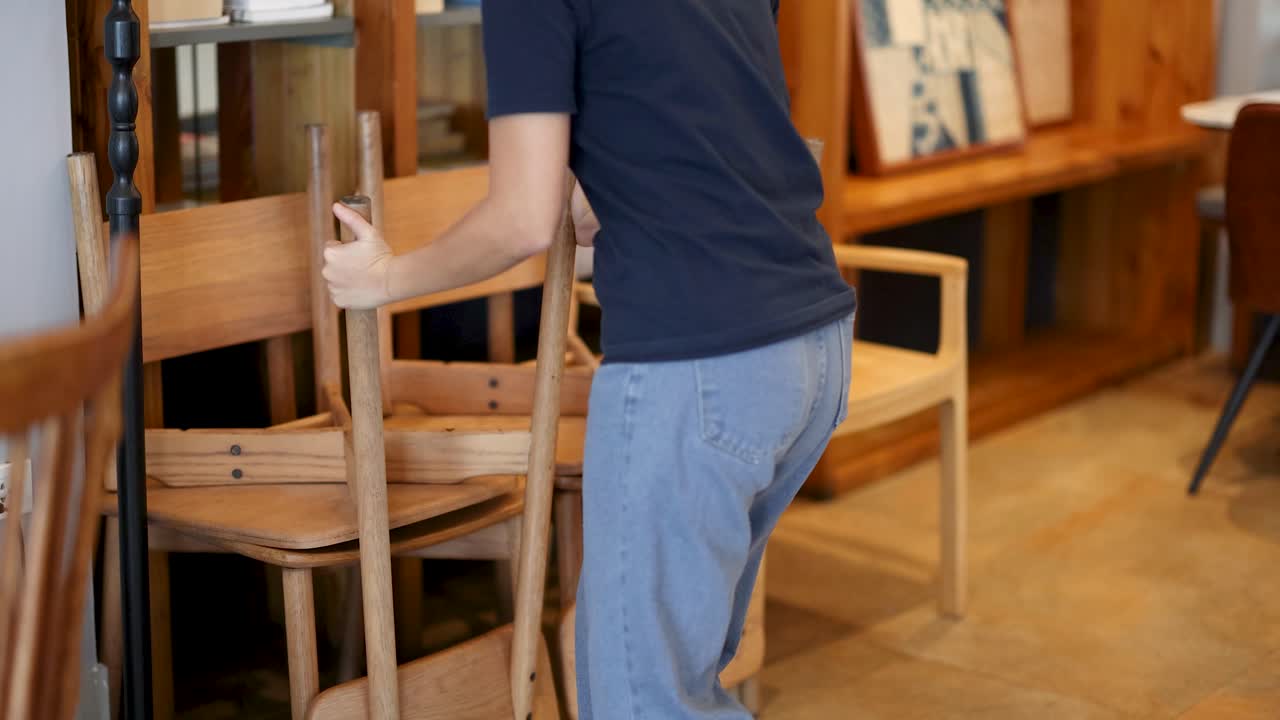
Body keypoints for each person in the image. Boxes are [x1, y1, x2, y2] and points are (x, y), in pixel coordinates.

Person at [322, 0, 856, 716]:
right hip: (810, 342)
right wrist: (606, 176)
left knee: (647, 700)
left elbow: (521, 219)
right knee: (678, 687)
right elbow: (699, 104)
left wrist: (386, 279)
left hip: (702, 365)